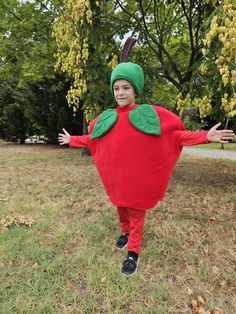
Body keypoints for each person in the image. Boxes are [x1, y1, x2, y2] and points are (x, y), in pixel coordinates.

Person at [58, 58, 234, 277]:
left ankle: (133, 252)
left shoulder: (149, 116)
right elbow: (92, 138)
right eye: (116, 88)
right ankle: (124, 232)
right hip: (118, 179)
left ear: (135, 90)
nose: (120, 93)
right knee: (120, 206)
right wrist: (72, 140)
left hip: (138, 181)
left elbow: (176, 135)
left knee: (136, 213)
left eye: (126, 87)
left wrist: (204, 136)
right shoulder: (107, 118)